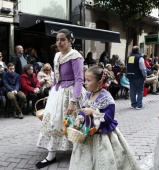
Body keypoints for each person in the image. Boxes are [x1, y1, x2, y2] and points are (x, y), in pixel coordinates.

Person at [69, 65, 140, 170]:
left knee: (103, 159)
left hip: (102, 134)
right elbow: (84, 109)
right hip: (88, 132)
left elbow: (109, 118)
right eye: (85, 79)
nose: (85, 82)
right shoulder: (88, 94)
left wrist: (93, 112)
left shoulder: (106, 97)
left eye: (88, 80)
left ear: (99, 83)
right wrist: (80, 117)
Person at [35, 29, 85, 169]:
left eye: (63, 39)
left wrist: (73, 101)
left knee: (74, 124)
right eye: (57, 40)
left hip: (71, 93)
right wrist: (51, 94)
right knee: (53, 122)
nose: (59, 42)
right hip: (58, 93)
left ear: (70, 40)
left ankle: (79, 153)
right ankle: (51, 155)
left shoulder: (75, 56)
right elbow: (56, 78)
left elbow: (79, 79)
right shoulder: (57, 55)